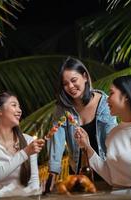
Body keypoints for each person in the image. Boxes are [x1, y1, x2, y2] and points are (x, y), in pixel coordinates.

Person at [45, 57, 117, 192]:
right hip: (78, 176)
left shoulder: (105, 103)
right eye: (65, 84)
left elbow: (112, 141)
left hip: (107, 173)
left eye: (73, 80)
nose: (70, 87)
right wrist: (51, 178)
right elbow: (56, 143)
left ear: (84, 76)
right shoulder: (63, 109)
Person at [0, 91, 45, 191]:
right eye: (14, 105)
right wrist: (25, 153)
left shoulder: (28, 140)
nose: (19, 110)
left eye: (19, 106)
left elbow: (33, 180)